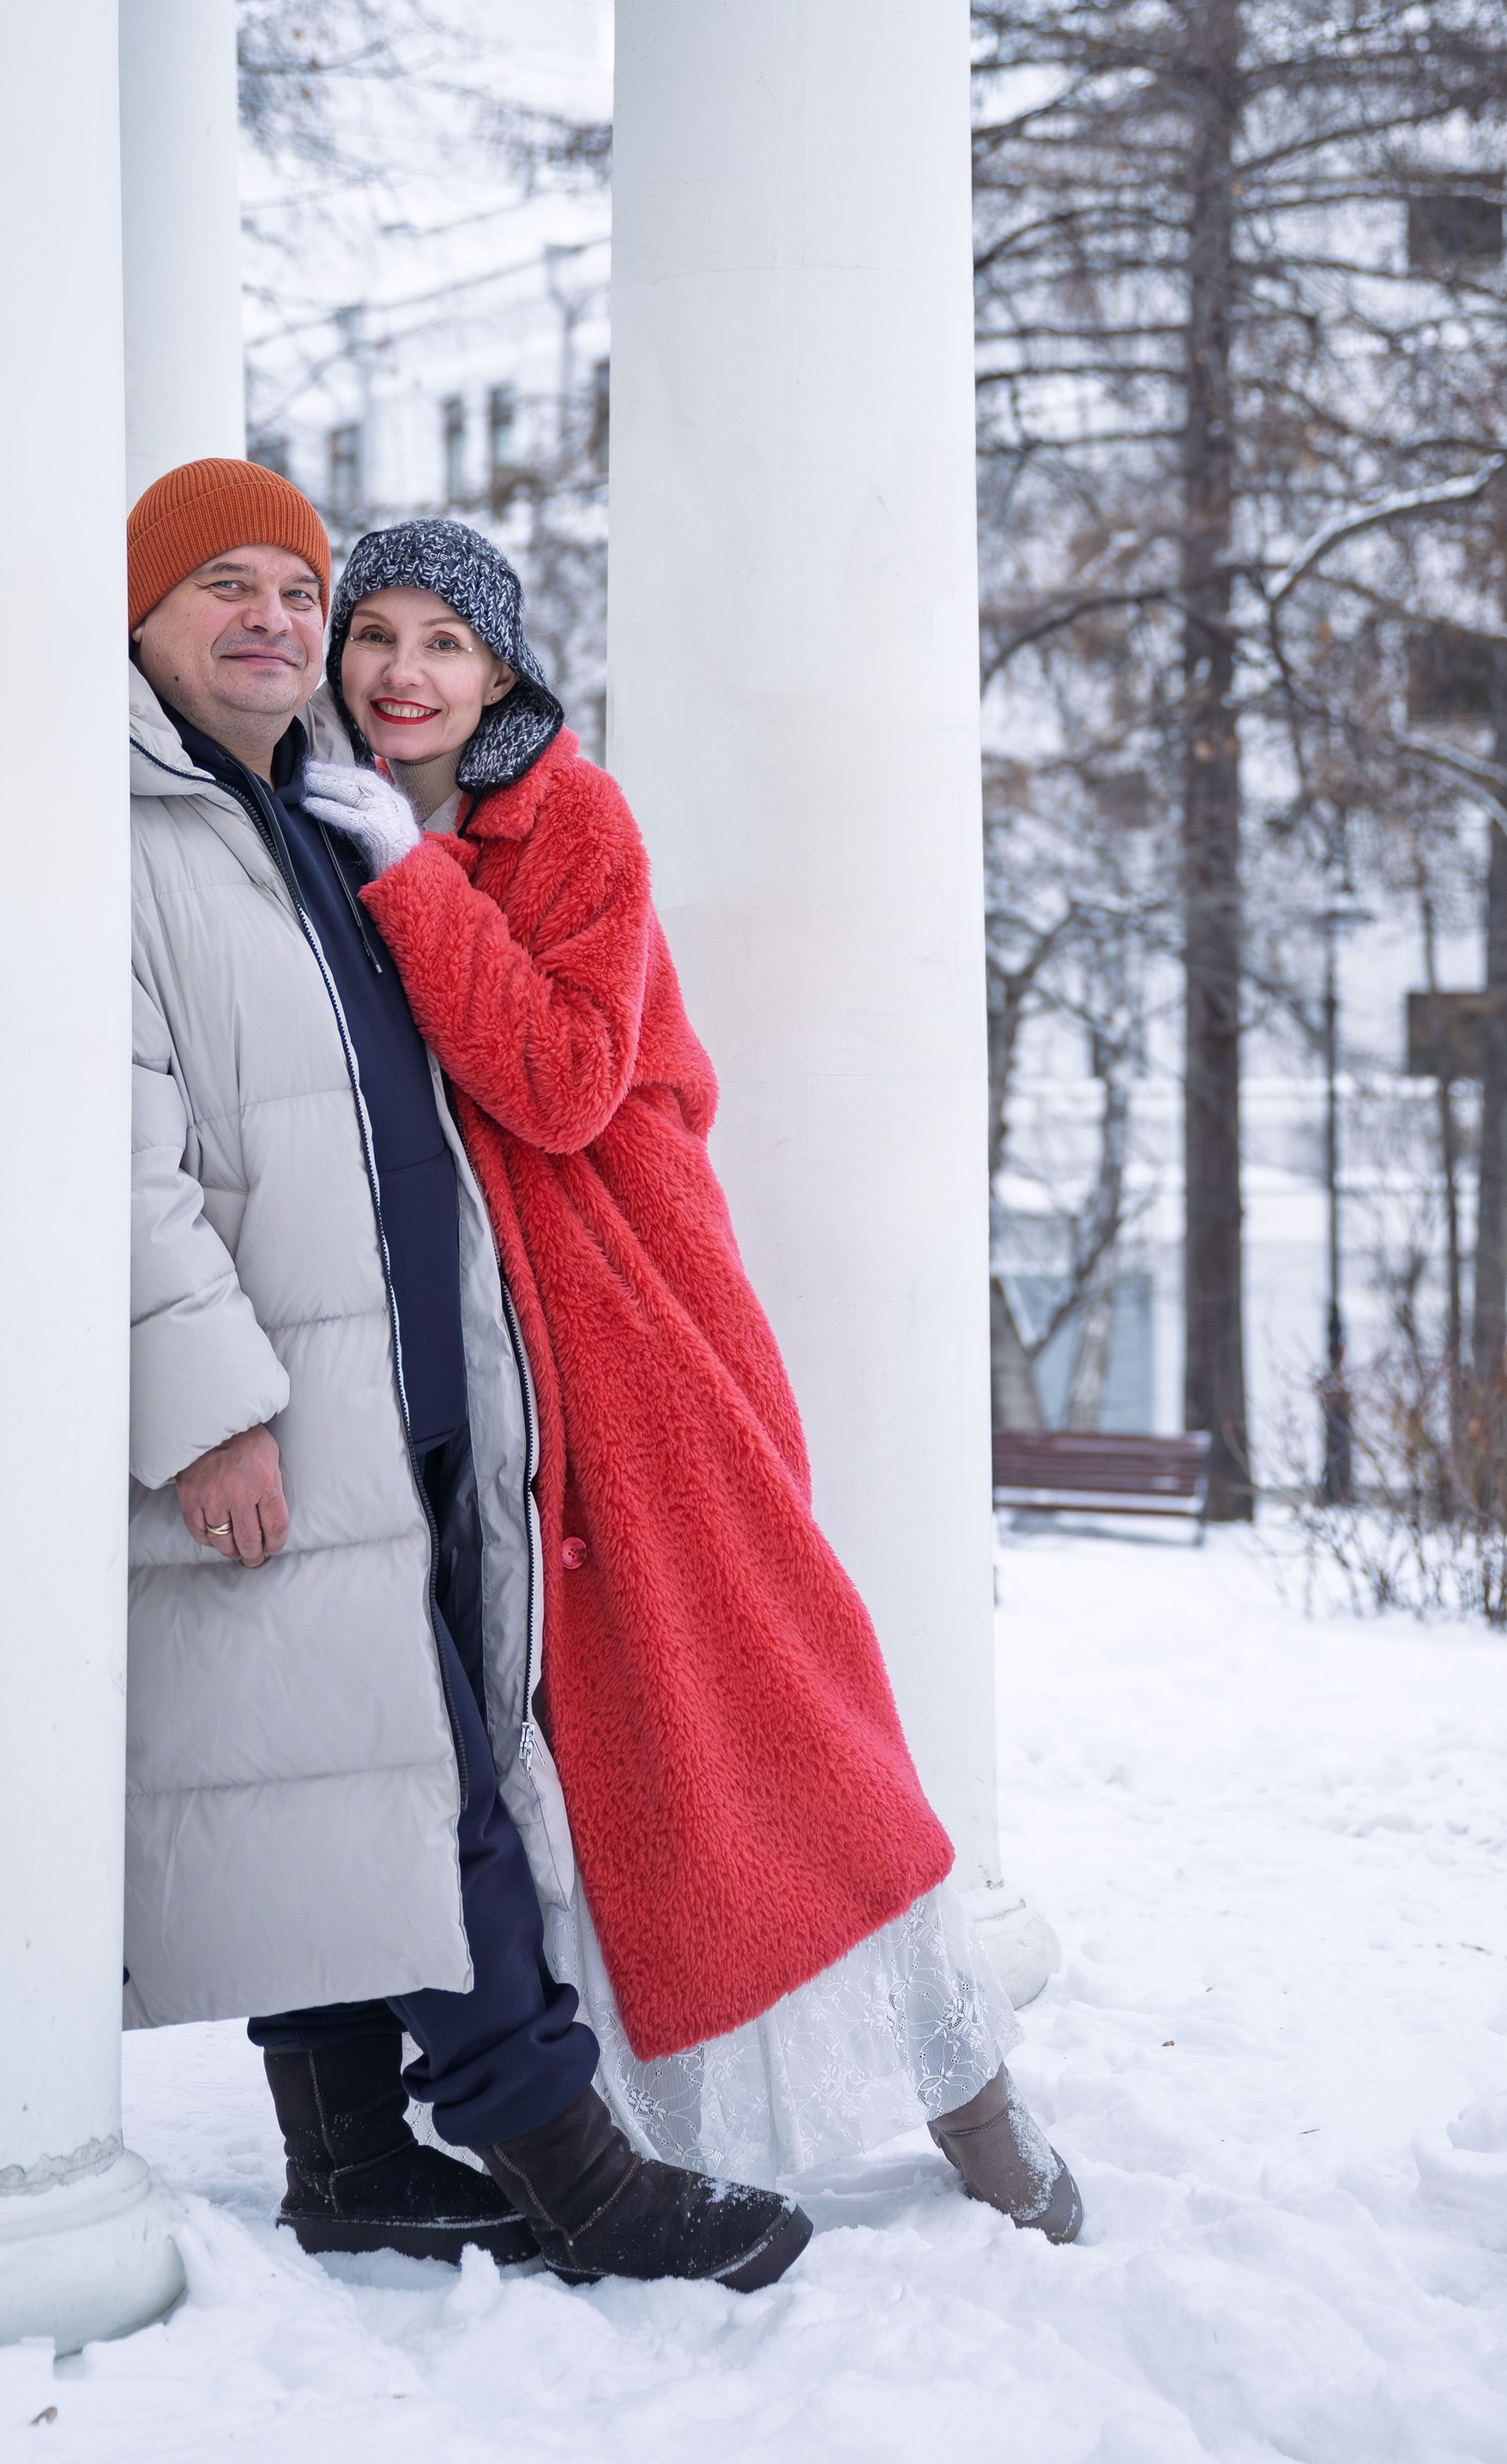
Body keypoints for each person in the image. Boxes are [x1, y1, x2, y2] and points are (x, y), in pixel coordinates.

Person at [304, 517, 1082, 2241]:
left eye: (444, 640)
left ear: (498, 670)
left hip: (639, 1341)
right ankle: (658, 2124)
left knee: (783, 1708)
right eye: (378, 634)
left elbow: (566, 1077)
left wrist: (408, 881)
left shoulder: (563, 816)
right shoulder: (325, 814)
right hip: (484, 1359)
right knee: (588, 1757)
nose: (403, 672)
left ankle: (968, 2095)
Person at [124, 455, 813, 2290]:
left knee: (341, 1765)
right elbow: (111, 1150)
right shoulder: (131, 828)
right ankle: (573, 2171)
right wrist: (206, 1403)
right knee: (423, 1776)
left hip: (424, 1376)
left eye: (298, 586)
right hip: (284, 1396)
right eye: (233, 591)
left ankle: (346, 2150)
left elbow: (531, 1080)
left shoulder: (295, 809)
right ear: (141, 617)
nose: (281, 624)